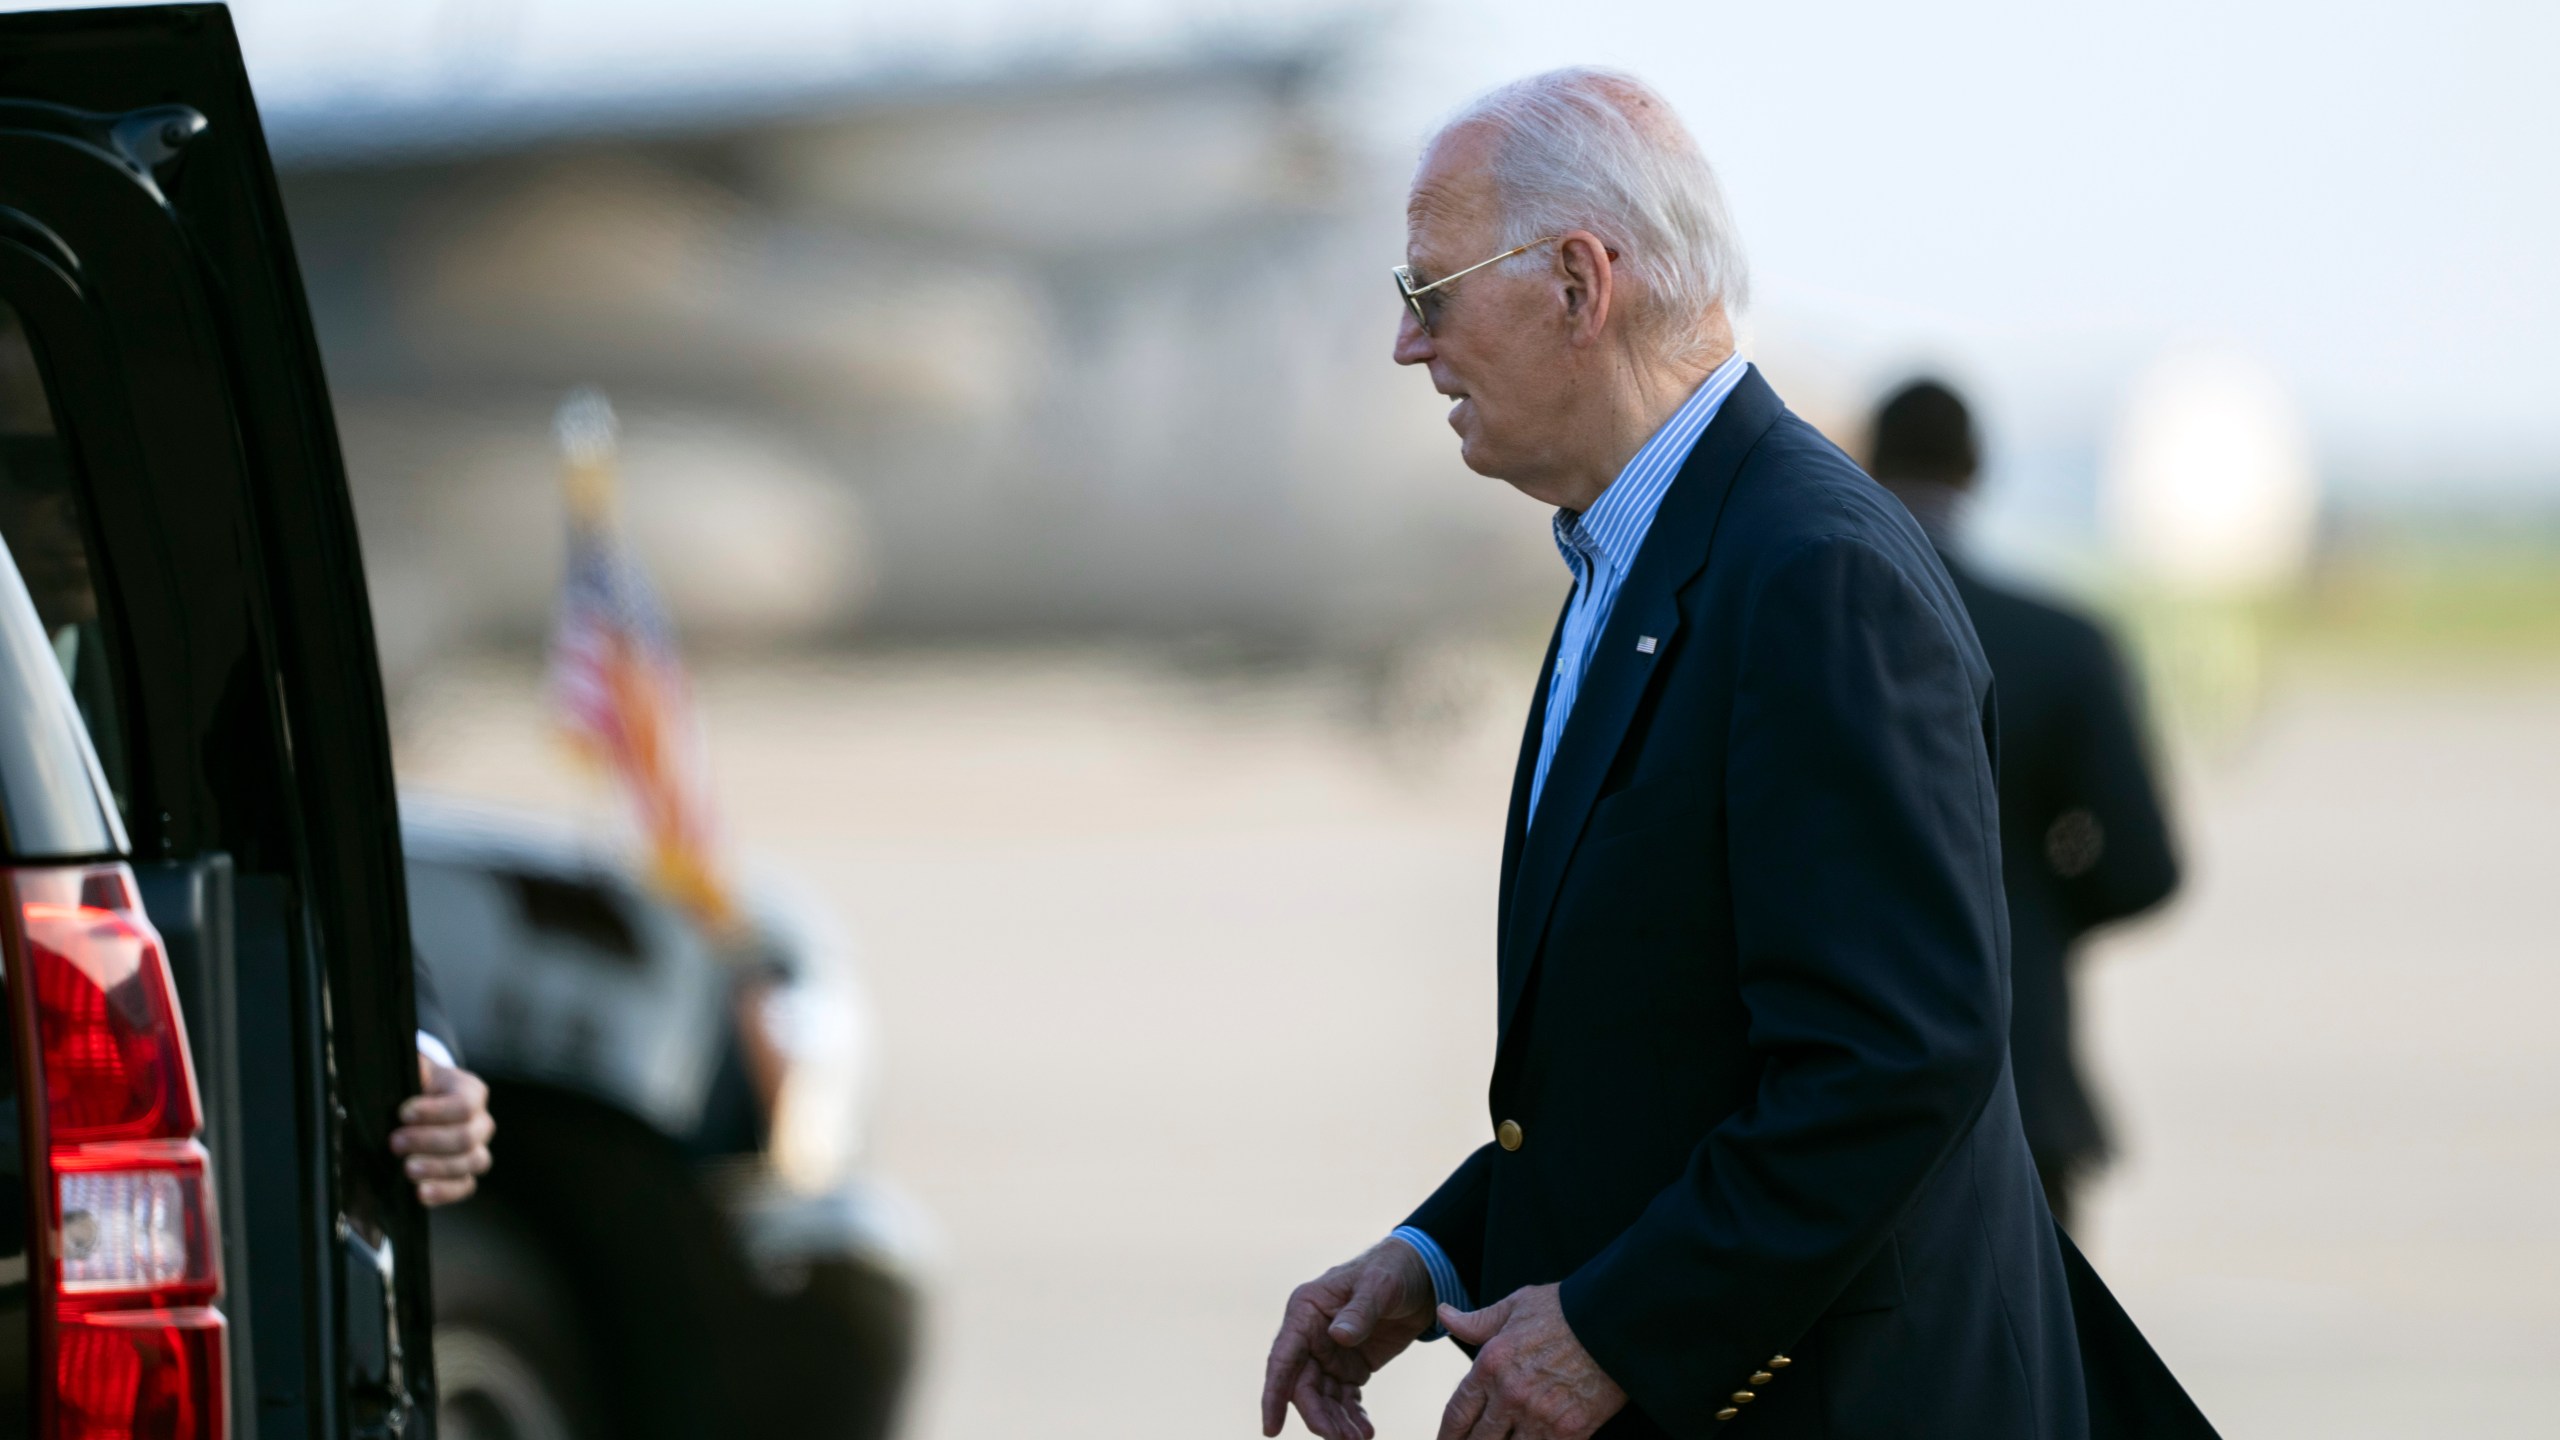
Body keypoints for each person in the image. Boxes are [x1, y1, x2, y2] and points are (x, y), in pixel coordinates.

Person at [1258, 69, 2211, 1440]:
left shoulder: (1816, 572)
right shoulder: (1632, 562)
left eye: (1428, 295)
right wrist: (1433, 1258)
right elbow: (1656, 1057)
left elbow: (1893, 1059)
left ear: (1579, 283)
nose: (1410, 348)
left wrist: (1613, 1330)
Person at [1869, 380, 2180, 1229]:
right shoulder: (2064, 641)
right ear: (1976, 468)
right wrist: (2032, 898)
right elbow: (2146, 870)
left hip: (1838, 1094)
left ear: (1866, 461)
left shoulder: (1802, 631)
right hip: (2020, 1068)